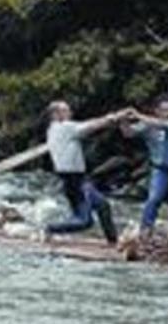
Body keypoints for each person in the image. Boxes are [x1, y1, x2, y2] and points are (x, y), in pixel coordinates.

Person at [43, 100, 128, 244]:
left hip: (78, 179)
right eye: (66, 110)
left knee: (102, 205)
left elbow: (88, 124)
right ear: (56, 114)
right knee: (85, 221)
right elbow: (91, 126)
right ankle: (50, 228)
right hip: (72, 180)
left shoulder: (57, 128)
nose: (70, 113)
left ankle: (113, 242)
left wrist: (111, 118)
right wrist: (113, 118)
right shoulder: (63, 128)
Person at [123, 95, 168, 234]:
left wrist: (137, 115)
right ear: (156, 111)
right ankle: (146, 228)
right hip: (161, 169)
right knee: (154, 198)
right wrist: (123, 120)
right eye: (164, 110)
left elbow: (163, 125)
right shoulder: (147, 124)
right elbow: (129, 133)